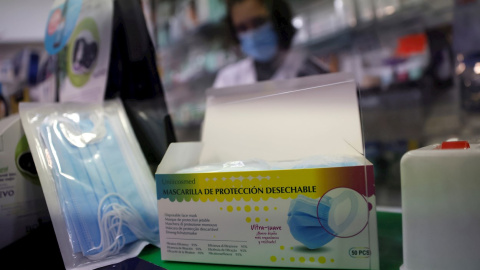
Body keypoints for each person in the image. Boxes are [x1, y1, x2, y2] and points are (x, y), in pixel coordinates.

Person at [213, 0, 329, 88]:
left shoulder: (310, 71)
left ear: (278, 20)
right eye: (242, 28)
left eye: (258, 22)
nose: (252, 33)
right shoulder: (228, 80)